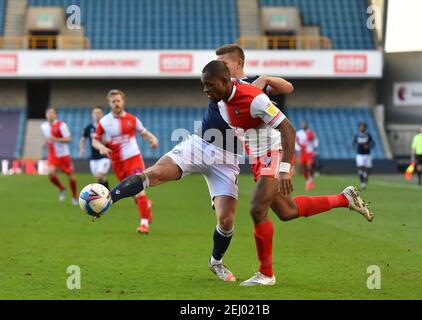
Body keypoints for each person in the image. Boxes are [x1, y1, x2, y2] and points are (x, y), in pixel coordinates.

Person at [99, 44, 294, 282]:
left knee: (226, 219)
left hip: (228, 159)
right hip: (200, 145)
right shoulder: (217, 85)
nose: (219, 65)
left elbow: (288, 88)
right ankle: (110, 197)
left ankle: (216, 262)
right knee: (156, 173)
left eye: (224, 61)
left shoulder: (252, 87)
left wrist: (264, 78)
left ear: (237, 63)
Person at [201, 60, 374, 286]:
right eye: (203, 85)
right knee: (287, 210)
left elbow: (288, 129)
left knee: (256, 209)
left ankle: (266, 274)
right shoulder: (223, 99)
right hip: (258, 159)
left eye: (209, 85)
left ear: (224, 81)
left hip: (275, 152)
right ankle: (344, 198)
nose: (205, 90)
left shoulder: (254, 99)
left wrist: (284, 169)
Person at [92, 90, 158, 234]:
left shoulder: (132, 119)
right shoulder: (104, 122)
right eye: (113, 101)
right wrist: (101, 147)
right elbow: (95, 141)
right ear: (109, 103)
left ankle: (144, 224)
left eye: (118, 100)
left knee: (139, 190)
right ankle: (146, 205)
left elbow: (144, 132)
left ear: (123, 102)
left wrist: (153, 139)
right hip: (117, 163)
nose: (116, 103)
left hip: (134, 159)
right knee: (134, 194)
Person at [40, 106, 78, 205]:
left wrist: (55, 139)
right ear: (46, 115)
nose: (50, 115)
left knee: (71, 177)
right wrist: (44, 143)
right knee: (51, 174)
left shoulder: (62, 125)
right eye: (48, 113)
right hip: (52, 154)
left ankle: (74, 197)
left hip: (64, 155)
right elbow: (48, 137)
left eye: (52, 113)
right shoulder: (44, 126)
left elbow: (69, 139)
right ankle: (62, 188)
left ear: (56, 115)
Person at [79, 106, 111, 188]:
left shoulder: (107, 127)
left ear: (103, 114)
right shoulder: (88, 127)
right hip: (93, 158)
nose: (97, 115)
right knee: (100, 179)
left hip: (105, 156)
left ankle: (105, 196)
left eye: (99, 113)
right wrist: (82, 149)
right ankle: (107, 196)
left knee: (99, 176)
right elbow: (82, 140)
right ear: (92, 115)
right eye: (95, 113)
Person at [295, 121, 318, 190]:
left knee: (309, 165)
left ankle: (310, 179)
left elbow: (315, 141)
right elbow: (296, 142)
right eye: (302, 124)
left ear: (307, 125)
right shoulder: (299, 133)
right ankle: (308, 180)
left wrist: (315, 150)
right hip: (302, 152)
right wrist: (298, 148)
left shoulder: (311, 133)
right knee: (303, 167)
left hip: (309, 151)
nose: (303, 125)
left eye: (304, 124)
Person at [353, 122, 375, 190]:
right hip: (360, 154)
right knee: (360, 167)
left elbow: (373, 143)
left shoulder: (368, 135)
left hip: (367, 154)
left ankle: (365, 175)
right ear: (359, 128)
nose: (362, 128)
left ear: (365, 128)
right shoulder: (357, 135)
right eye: (360, 127)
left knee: (369, 169)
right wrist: (354, 147)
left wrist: (368, 146)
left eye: (363, 127)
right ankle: (362, 183)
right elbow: (354, 143)